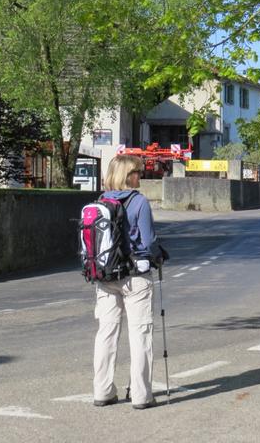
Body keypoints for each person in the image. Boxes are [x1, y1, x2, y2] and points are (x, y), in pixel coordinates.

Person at [93, 154, 159, 410]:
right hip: (135, 276)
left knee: (106, 333)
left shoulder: (101, 200)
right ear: (127, 175)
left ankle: (103, 390)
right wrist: (158, 256)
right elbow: (149, 239)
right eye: (136, 172)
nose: (139, 176)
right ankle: (141, 395)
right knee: (140, 333)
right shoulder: (139, 201)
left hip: (106, 276)